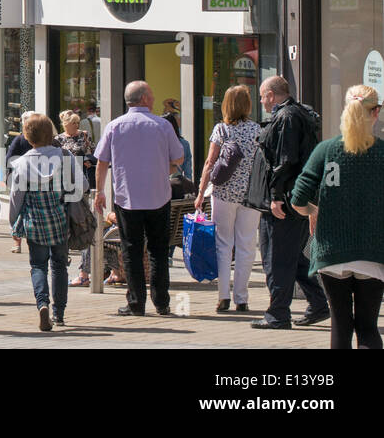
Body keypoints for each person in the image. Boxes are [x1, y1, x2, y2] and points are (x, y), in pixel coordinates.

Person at [291, 85, 384, 349]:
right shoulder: (382, 153)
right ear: (376, 112)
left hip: (332, 252)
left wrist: (313, 211)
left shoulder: (326, 150)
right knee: (367, 327)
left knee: (340, 325)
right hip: (373, 253)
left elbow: (298, 198)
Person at [93, 81, 183, 318]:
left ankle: (135, 303)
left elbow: (101, 161)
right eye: (151, 95)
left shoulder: (114, 126)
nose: (153, 99)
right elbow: (180, 158)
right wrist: (164, 163)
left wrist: (100, 191)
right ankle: (162, 302)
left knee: (131, 250)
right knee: (158, 250)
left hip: (127, 198)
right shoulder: (163, 126)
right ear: (143, 99)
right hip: (158, 197)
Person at [247, 75, 329, 330]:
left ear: (271, 95)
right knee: (295, 257)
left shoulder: (286, 117)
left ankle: (278, 314)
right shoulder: (295, 115)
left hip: (284, 201)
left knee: (277, 258)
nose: (261, 101)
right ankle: (318, 303)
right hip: (293, 199)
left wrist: (275, 197)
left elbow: (284, 160)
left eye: (262, 96)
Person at [10, 113, 84, 331]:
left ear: (28, 137)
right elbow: (84, 185)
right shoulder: (64, 155)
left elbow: (16, 197)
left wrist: (13, 222)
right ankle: (58, 314)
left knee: (38, 265)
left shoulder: (22, 162)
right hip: (60, 218)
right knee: (60, 265)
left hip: (34, 221)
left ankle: (42, 303)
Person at [194, 85, 261, 313]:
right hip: (251, 195)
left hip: (223, 193)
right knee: (247, 245)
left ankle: (223, 297)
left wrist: (201, 192)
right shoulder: (257, 131)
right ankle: (241, 298)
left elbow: (209, 163)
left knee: (224, 244)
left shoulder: (221, 130)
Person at [56, 109, 96, 286]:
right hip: (65, 187)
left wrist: (88, 159)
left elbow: (93, 153)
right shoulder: (59, 139)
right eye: (72, 125)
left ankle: (84, 271)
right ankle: (65, 260)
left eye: (77, 125)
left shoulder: (84, 136)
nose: (75, 128)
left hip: (82, 184)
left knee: (82, 223)